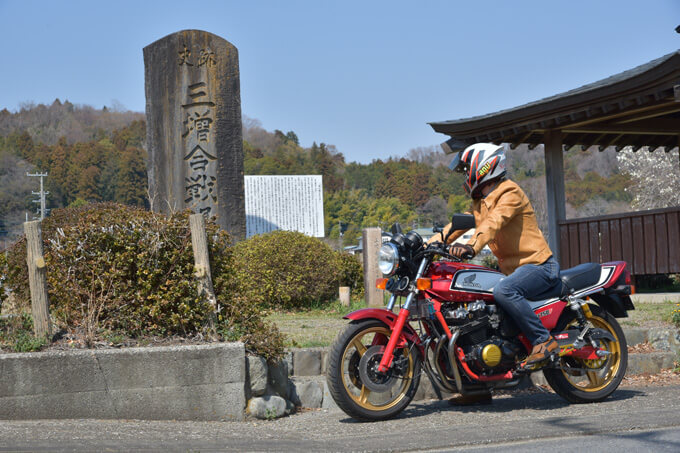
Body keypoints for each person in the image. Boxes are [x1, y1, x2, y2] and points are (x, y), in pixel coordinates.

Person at [428, 143, 560, 405]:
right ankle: (476, 386)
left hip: (538, 266)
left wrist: (471, 246)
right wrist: (426, 247)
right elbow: (454, 227)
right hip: (513, 271)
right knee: (471, 309)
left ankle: (543, 340)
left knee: (504, 290)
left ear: (483, 166)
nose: (464, 176)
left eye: (466, 169)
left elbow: (493, 223)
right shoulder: (480, 203)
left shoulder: (510, 192)